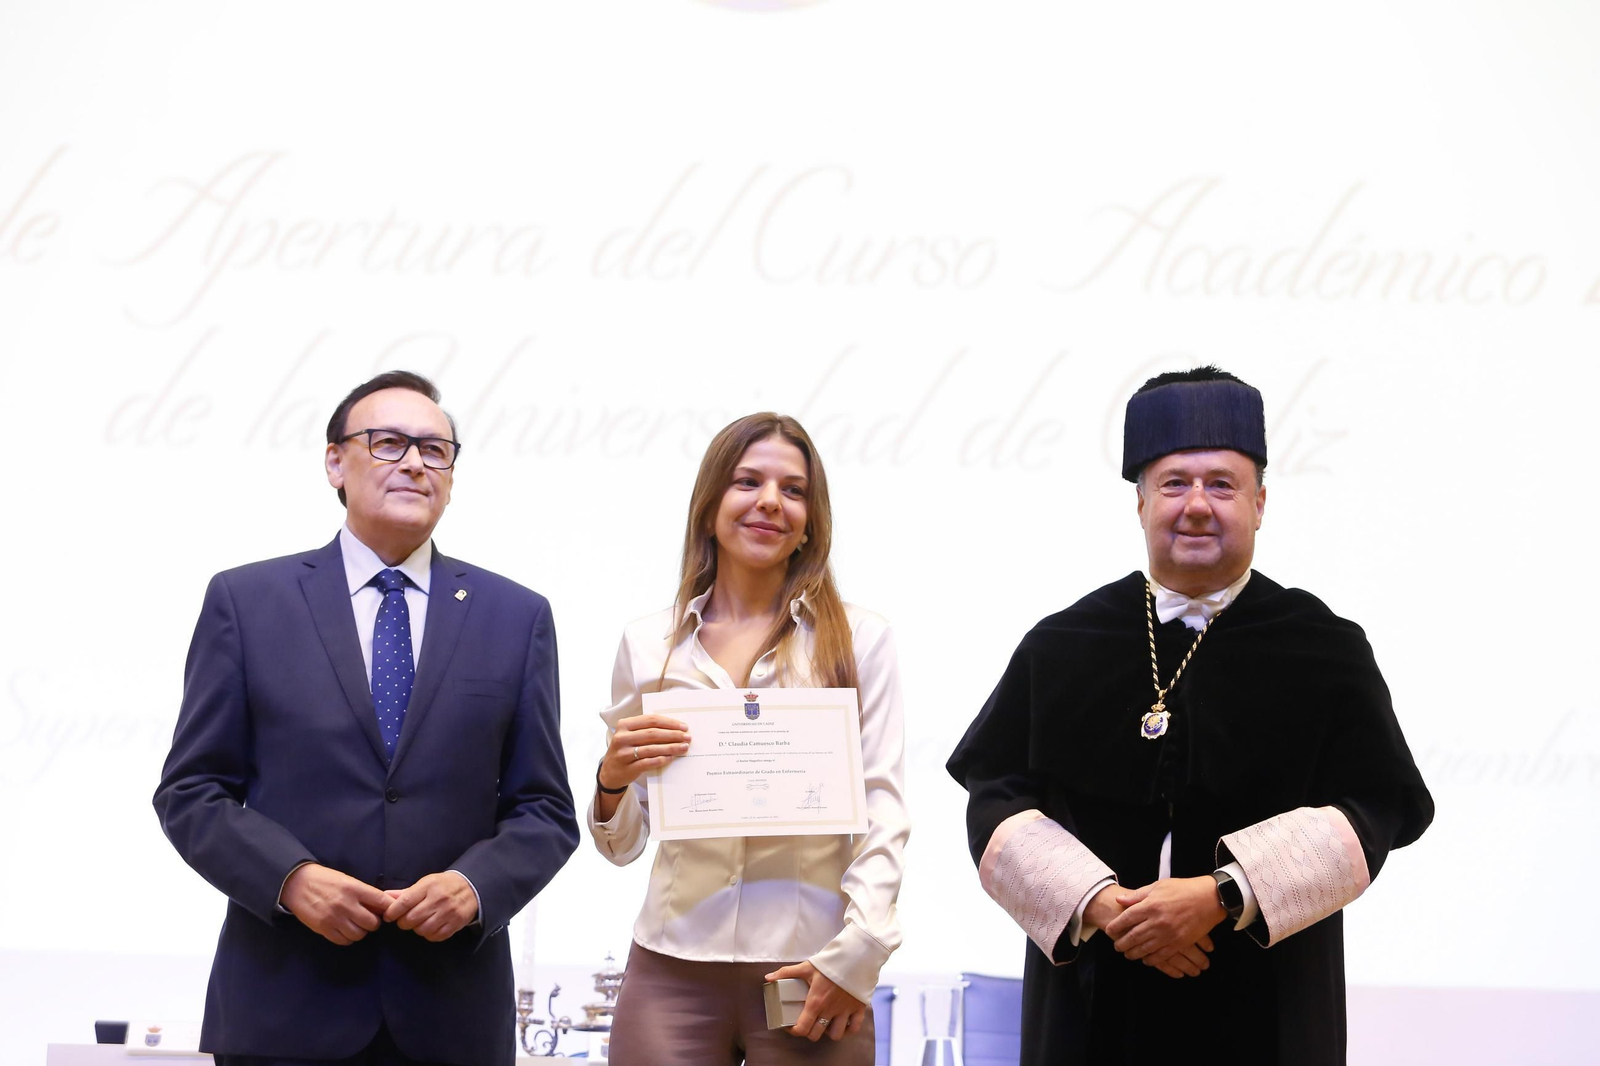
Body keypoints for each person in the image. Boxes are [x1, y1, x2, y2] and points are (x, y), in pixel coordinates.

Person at [946, 367, 1433, 1066]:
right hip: (1092, 1002)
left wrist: (1221, 895)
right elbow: (996, 797)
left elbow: (1377, 807)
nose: (1197, 505)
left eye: (1222, 484)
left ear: (1260, 502)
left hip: (1267, 1006)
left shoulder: (1324, 647)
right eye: (1174, 483)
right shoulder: (1063, 643)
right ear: (1139, 504)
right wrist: (1107, 908)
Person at [153, 371, 579, 1066]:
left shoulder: (516, 616)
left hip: (452, 1015)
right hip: (283, 1009)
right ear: (334, 463)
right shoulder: (248, 601)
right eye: (388, 443)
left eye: (435, 450)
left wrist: (475, 889)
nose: (414, 462)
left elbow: (544, 809)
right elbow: (191, 792)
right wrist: (289, 879)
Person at [587, 413, 909, 1065]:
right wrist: (611, 780)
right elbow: (624, 845)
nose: (769, 501)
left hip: (811, 966)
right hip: (670, 968)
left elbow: (884, 811)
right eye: (747, 481)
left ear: (811, 520)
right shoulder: (647, 646)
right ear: (710, 506)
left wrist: (859, 955)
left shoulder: (861, 641)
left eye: (793, 490)